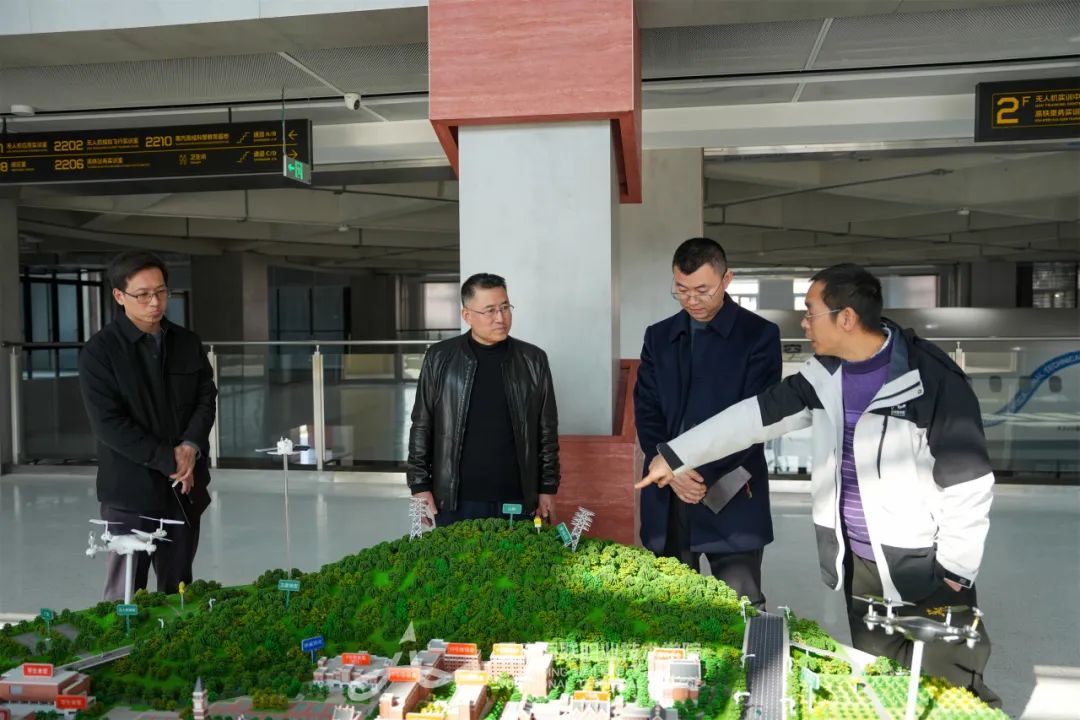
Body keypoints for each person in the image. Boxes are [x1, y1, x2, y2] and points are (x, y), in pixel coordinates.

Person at [636, 263, 999, 706]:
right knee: (881, 682)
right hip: (859, 560)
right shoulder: (825, 374)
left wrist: (956, 569)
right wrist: (675, 454)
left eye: (810, 312)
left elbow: (968, 482)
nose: (804, 323)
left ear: (846, 318)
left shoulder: (931, 379)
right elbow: (753, 417)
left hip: (924, 560)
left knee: (952, 691)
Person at [634, 238, 780, 609]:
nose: (691, 300)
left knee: (739, 607)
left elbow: (756, 418)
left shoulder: (758, 336)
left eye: (702, 290)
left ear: (726, 279)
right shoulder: (659, 336)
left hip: (731, 489)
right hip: (669, 490)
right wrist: (670, 466)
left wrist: (692, 472)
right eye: (681, 290)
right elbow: (647, 410)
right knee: (669, 608)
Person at [79, 251, 217, 600]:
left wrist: (190, 447)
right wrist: (171, 460)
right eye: (142, 295)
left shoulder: (186, 342)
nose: (155, 303)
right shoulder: (100, 352)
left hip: (183, 490)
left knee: (178, 591)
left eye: (161, 292)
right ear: (119, 295)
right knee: (126, 595)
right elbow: (109, 425)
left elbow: (206, 398)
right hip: (130, 490)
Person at [407, 273, 560, 526]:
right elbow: (422, 424)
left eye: (505, 307)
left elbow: (547, 430)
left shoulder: (533, 360)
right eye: (490, 311)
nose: (500, 318)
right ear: (467, 315)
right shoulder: (440, 358)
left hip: (518, 495)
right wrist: (419, 485)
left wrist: (547, 488)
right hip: (456, 498)